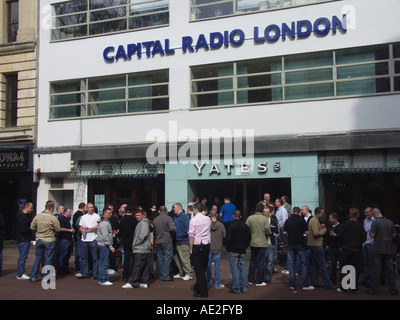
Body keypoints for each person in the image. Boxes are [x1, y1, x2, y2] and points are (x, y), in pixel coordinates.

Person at [366, 208, 398, 296]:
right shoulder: (390, 222)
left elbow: (372, 235)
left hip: (378, 248)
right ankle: (393, 289)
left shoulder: (375, 222)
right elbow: (394, 234)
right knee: (389, 269)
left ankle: (375, 289)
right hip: (388, 248)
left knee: (376, 269)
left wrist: (370, 233)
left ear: (374, 214)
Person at [283, 206, 314, 290]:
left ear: (293, 212)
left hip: (291, 244)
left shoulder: (288, 221)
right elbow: (306, 232)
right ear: (299, 212)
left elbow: (285, 232)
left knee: (291, 264)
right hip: (300, 243)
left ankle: (292, 284)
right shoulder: (302, 220)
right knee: (304, 263)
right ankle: (305, 284)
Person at [29, 201, 61, 281]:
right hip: (49, 239)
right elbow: (58, 229)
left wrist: (38, 230)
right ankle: (47, 277)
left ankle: (33, 276)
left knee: (37, 258)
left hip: (39, 239)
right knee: (48, 258)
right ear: (51, 208)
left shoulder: (38, 216)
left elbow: (32, 227)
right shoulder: (53, 218)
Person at [337, 207, 366, 293]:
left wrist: (340, 245)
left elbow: (340, 236)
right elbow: (363, 238)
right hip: (356, 249)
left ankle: (344, 286)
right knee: (355, 268)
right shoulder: (360, 225)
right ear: (357, 215)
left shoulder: (344, 224)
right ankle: (354, 288)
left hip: (346, 248)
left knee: (345, 267)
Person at [122, 209, 152, 289]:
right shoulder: (143, 223)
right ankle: (144, 281)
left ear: (143, 215)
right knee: (145, 265)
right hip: (144, 248)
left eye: (139, 215)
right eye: (136, 215)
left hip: (141, 248)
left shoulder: (143, 223)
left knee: (137, 265)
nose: (137, 217)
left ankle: (132, 281)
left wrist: (136, 243)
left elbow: (143, 235)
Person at [308, 207, 335, 289]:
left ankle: (314, 282)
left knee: (314, 265)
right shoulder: (314, 221)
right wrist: (323, 231)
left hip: (314, 245)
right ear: (318, 213)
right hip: (316, 245)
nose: (323, 215)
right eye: (322, 213)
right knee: (322, 265)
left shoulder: (314, 221)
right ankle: (328, 283)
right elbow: (316, 233)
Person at [189, 203, 212, 298]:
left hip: (197, 244)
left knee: (199, 269)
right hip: (206, 244)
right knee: (203, 266)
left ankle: (203, 291)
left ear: (195, 210)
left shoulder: (193, 220)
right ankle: (199, 287)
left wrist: (190, 248)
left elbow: (191, 235)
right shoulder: (207, 219)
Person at [225, 210, 251, 294]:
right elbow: (249, 238)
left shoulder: (231, 226)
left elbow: (228, 238)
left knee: (234, 269)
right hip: (242, 250)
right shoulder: (245, 226)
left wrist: (228, 247)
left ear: (233, 216)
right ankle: (244, 287)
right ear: (241, 216)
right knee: (243, 269)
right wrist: (246, 245)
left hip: (233, 249)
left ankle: (236, 287)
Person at [246, 201, 270, 286]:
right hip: (262, 243)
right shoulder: (264, 219)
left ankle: (251, 279)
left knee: (253, 261)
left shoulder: (250, 218)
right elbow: (267, 231)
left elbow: (246, 229)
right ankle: (259, 280)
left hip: (253, 242)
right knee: (261, 262)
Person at [152, 205, 176, 281]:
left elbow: (154, 232)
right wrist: (175, 228)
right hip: (167, 239)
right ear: (166, 211)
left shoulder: (155, 219)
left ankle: (161, 273)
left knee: (160, 258)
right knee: (167, 258)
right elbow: (172, 228)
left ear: (159, 211)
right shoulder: (168, 218)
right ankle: (165, 275)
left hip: (159, 240)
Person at [77, 203, 99, 280]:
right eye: (89, 207)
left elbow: (98, 226)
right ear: (86, 208)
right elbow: (80, 227)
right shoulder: (83, 217)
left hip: (93, 238)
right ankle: (84, 273)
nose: (91, 209)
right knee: (84, 257)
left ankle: (95, 273)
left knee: (95, 258)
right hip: (84, 239)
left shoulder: (97, 216)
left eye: (92, 207)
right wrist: (82, 231)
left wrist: (89, 228)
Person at [206, 209, 226, 289]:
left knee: (208, 266)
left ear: (210, 215)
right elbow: (224, 235)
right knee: (217, 266)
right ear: (217, 215)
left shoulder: (207, 225)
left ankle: (208, 283)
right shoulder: (221, 225)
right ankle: (217, 284)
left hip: (209, 247)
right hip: (218, 247)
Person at [172, 203, 193, 281]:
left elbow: (187, 229)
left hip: (183, 241)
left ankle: (188, 273)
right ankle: (181, 272)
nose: (173, 209)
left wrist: (179, 235)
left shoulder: (185, 217)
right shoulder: (175, 217)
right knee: (177, 258)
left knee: (184, 258)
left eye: (174, 207)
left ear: (179, 207)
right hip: (176, 241)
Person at [97, 207, 115, 286]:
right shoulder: (104, 223)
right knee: (104, 262)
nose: (110, 214)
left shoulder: (103, 222)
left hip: (102, 244)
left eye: (111, 213)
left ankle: (101, 278)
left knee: (102, 262)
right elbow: (105, 236)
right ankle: (103, 279)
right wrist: (110, 246)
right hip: (104, 245)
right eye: (109, 213)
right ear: (104, 214)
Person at [119, 205, 138, 282]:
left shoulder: (122, 220)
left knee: (126, 258)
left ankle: (125, 275)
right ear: (132, 211)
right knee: (134, 258)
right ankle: (134, 274)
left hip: (125, 240)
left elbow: (120, 230)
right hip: (133, 240)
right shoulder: (134, 220)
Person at [16, 202, 33, 279]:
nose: (32, 209)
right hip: (24, 239)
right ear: (26, 207)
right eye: (31, 208)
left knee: (22, 256)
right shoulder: (23, 217)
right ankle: (20, 273)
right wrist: (31, 228)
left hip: (24, 239)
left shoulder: (23, 216)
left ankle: (21, 272)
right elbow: (23, 229)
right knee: (22, 257)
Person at [58, 207, 75, 275]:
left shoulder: (68, 220)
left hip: (69, 239)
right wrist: (69, 230)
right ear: (65, 213)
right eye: (69, 212)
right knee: (62, 255)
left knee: (67, 256)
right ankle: (60, 270)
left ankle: (66, 269)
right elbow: (60, 229)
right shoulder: (62, 219)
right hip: (64, 240)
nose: (70, 214)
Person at [263, 206, 278, 283]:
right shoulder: (261, 221)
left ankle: (268, 277)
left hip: (270, 243)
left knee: (270, 261)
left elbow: (277, 233)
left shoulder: (273, 221)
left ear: (269, 213)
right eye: (264, 212)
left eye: (266, 212)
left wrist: (272, 234)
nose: (265, 213)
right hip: (262, 243)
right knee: (263, 261)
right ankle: (262, 277)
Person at [325, 212, 341, 285]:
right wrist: (327, 244)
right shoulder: (330, 226)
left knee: (341, 264)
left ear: (335, 219)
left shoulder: (340, 227)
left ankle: (341, 279)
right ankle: (333, 279)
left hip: (338, 247)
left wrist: (336, 236)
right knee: (333, 264)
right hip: (332, 247)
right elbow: (327, 236)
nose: (329, 220)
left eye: (330, 219)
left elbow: (342, 237)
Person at [362, 207, 374, 288]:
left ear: (372, 212)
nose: (366, 214)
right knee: (366, 262)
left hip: (371, 242)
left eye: (368, 212)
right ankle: (366, 279)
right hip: (365, 243)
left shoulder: (375, 221)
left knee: (371, 262)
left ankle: (371, 280)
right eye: (365, 212)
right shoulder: (365, 220)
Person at [72, 202, 86, 272]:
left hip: (76, 235)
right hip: (79, 235)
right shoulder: (81, 216)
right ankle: (79, 266)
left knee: (77, 251)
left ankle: (77, 264)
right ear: (83, 207)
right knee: (79, 252)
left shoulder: (75, 214)